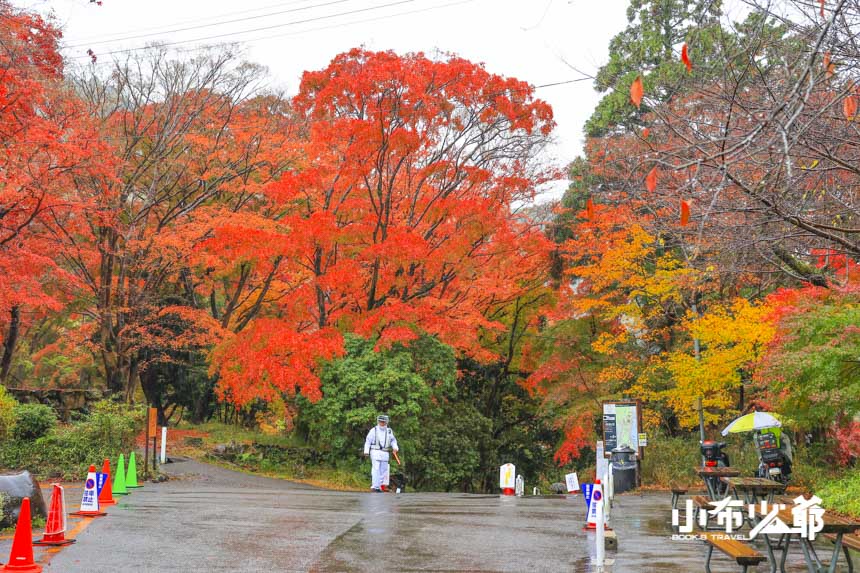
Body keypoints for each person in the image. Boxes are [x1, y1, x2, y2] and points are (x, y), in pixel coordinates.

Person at [363, 414, 401, 492]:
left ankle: (379, 486)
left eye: (383, 422)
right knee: (376, 469)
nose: (382, 423)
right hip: (375, 451)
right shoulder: (374, 430)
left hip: (385, 453)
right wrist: (366, 451)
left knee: (383, 470)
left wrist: (395, 447)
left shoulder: (389, 431)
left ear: (386, 422)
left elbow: (393, 440)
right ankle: (374, 486)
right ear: (378, 421)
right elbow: (368, 441)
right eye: (380, 422)